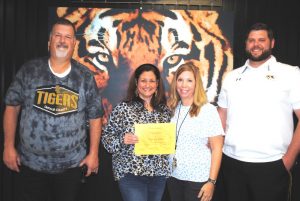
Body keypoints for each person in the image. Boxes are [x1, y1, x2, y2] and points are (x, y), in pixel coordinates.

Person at [3, 18, 103, 201]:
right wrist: (8, 146)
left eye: (68, 37)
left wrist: (94, 154)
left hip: (71, 166)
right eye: (58, 35)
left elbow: (95, 116)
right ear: (49, 41)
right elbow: (12, 106)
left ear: (74, 43)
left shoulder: (85, 76)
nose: (62, 41)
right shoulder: (29, 71)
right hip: (31, 164)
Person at [217, 22, 300, 201]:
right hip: (232, 163)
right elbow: (221, 114)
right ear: (246, 44)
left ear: (272, 43)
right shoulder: (231, 77)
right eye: (251, 40)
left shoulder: (291, 74)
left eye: (261, 40)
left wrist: (289, 159)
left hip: (273, 165)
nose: (256, 44)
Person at [101, 63, 171, 201]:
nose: (147, 85)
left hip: (159, 175)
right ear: (136, 82)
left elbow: (171, 142)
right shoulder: (123, 108)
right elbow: (107, 139)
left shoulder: (165, 112)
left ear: (157, 84)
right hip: (131, 175)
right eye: (143, 80)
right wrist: (122, 139)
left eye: (152, 81)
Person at [167, 62, 224, 201]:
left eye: (189, 80)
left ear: (196, 84)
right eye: (180, 80)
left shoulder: (207, 110)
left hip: (198, 180)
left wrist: (211, 182)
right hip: (173, 177)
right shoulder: (172, 109)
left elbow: (217, 149)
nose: (183, 85)